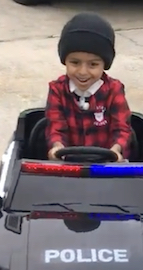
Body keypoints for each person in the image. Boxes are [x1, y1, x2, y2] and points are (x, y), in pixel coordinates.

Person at [45, 12, 132, 162]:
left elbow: (121, 128)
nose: (83, 72)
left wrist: (116, 150)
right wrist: (57, 147)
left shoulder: (114, 90)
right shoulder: (57, 90)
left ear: (105, 64)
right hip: (68, 166)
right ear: (65, 60)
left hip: (106, 167)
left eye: (93, 64)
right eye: (75, 62)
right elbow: (56, 126)